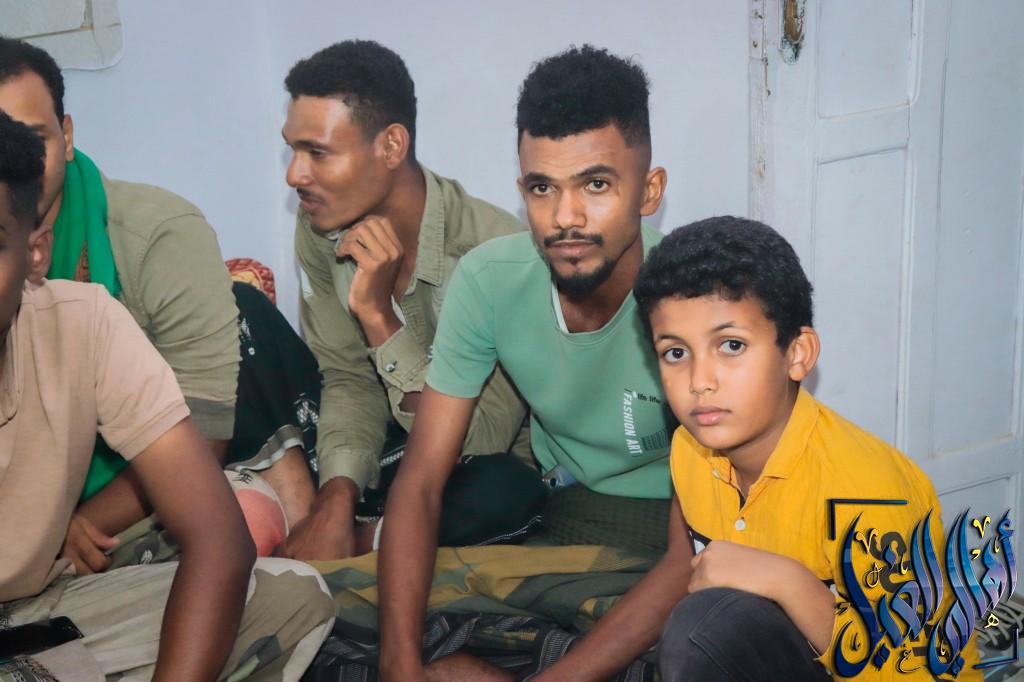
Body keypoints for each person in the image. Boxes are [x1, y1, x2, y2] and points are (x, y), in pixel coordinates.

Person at [376, 45, 679, 681]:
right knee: (347, 616)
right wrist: (398, 663)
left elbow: (695, 549)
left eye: (596, 185)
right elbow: (422, 481)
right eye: (543, 188)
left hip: (677, 530)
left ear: (648, 192)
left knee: (700, 645)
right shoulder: (490, 280)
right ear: (522, 192)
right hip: (560, 517)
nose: (565, 218)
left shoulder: (693, 294)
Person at [0, 109, 334, 681]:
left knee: (288, 597)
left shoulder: (84, 324)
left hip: (29, 609)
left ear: (34, 254)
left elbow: (218, 538)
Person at [0, 36, 322, 570]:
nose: (15, 164)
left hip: (134, 498)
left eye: (31, 141)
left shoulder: (156, 236)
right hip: (25, 518)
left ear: (68, 135)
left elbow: (205, 433)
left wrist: (64, 528)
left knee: (242, 540)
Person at [630, 216, 982, 680]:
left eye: (731, 345)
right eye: (676, 353)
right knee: (705, 625)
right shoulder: (688, 449)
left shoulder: (870, 491)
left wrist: (789, 581)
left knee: (702, 627)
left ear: (797, 355)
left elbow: (916, 671)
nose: (699, 382)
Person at [281, 40, 542, 560]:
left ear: (391, 146)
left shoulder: (496, 252)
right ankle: (321, 512)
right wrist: (337, 496)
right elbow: (348, 379)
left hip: (464, 464)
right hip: (379, 444)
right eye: (292, 150)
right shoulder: (321, 227)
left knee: (508, 492)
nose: (295, 175)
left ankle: (366, 538)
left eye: (318, 153)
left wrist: (380, 317)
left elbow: (482, 437)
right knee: (246, 318)